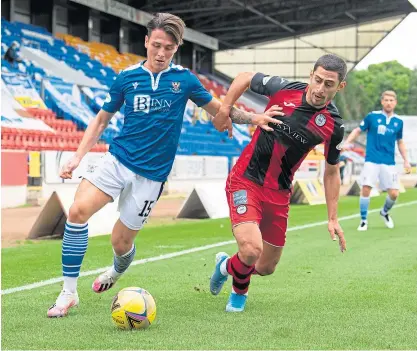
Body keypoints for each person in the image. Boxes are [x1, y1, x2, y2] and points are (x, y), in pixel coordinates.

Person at [47, 12, 283, 318]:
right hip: (117, 160)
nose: (161, 53)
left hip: (152, 176)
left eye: (168, 48)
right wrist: (77, 157)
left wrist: (253, 117)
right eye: (156, 45)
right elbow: (101, 120)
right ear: (146, 42)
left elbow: (218, 109)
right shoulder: (127, 78)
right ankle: (68, 293)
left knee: (121, 243)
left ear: (176, 49)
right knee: (78, 212)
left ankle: (116, 272)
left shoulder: (184, 80)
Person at [210, 54, 348, 312]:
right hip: (246, 180)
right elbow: (245, 78)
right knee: (251, 250)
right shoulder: (285, 88)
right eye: (317, 80)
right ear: (311, 74)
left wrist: (333, 218)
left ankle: (225, 266)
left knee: (265, 266)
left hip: (279, 193)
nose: (320, 89)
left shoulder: (334, 125)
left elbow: (331, 172)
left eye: (328, 84)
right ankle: (239, 296)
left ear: (340, 86)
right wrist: (225, 108)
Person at [343, 90, 411, 231]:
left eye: (391, 100)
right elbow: (357, 130)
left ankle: (384, 212)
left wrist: (406, 160)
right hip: (372, 160)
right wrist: (347, 143)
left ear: (395, 103)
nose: (388, 102)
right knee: (366, 188)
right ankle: (363, 220)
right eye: (386, 100)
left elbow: (400, 142)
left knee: (394, 193)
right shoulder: (372, 117)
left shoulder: (398, 122)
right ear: (382, 101)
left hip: (389, 162)